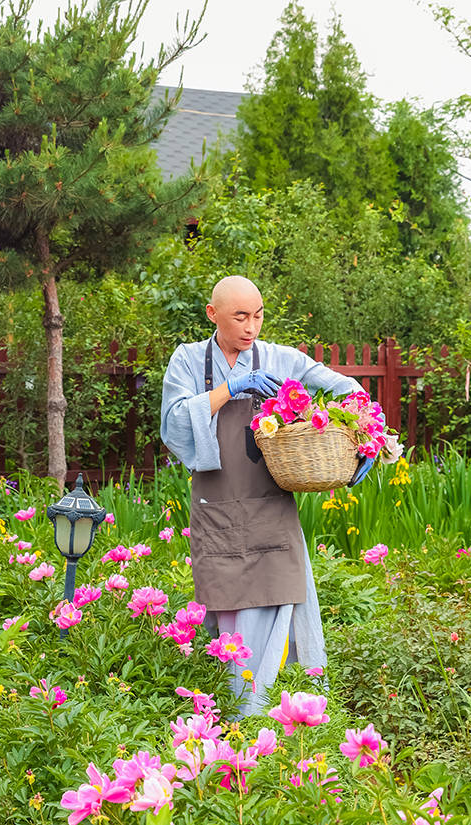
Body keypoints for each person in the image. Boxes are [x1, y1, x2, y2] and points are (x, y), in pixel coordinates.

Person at [160, 276, 372, 715]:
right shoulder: (186, 361)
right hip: (217, 509)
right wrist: (231, 390)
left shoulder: (279, 358)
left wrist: (367, 435)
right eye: (240, 316)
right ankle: (234, 716)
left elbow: (347, 390)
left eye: (257, 315)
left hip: (271, 511)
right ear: (212, 314)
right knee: (229, 617)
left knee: (282, 603)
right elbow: (175, 422)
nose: (251, 327)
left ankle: (283, 716)